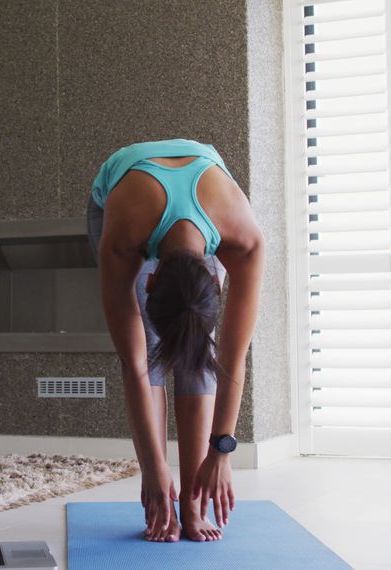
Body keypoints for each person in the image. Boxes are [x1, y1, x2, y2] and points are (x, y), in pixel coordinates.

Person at [87, 139, 264, 542]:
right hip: (124, 194)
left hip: (203, 202)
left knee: (196, 351)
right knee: (148, 349)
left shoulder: (244, 239)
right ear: (147, 282)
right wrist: (152, 467)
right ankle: (163, 501)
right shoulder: (122, 242)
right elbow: (133, 363)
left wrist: (221, 451)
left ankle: (191, 504)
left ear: (216, 282)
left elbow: (232, 361)